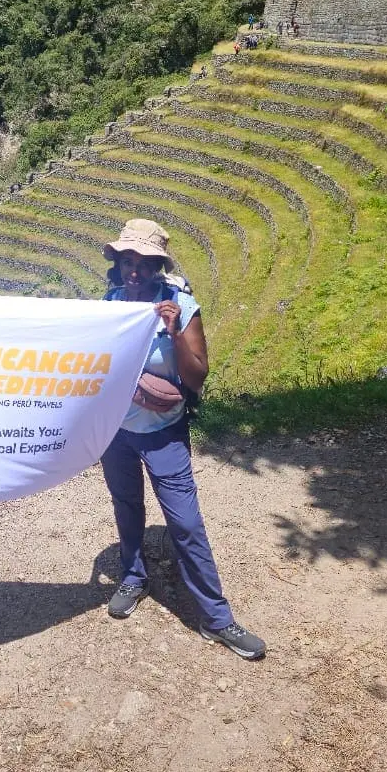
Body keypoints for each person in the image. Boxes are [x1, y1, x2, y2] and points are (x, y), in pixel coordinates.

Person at [99, 219, 267, 660]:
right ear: (118, 264)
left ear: (158, 267)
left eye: (144, 263)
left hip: (163, 430)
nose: (134, 271)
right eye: (127, 262)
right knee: (126, 503)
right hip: (117, 429)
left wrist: (172, 333)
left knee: (186, 523)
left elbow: (197, 375)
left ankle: (217, 618)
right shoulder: (111, 302)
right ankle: (133, 577)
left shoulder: (180, 305)